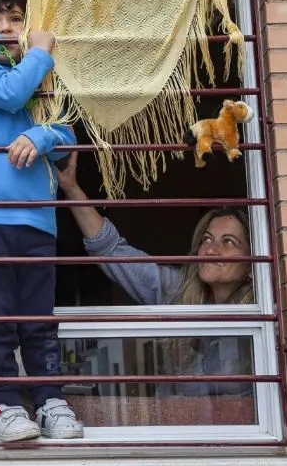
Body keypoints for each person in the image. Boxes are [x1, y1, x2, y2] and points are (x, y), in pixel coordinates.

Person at [0, 0, 85, 442]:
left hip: (36, 221)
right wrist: (42, 50)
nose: (6, 29)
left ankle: (50, 399)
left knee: (38, 319)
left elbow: (66, 129)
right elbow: (12, 95)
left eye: (14, 20)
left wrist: (41, 136)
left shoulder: (40, 84)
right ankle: (4, 405)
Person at [55, 152, 255, 399]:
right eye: (207, 239)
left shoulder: (262, 314)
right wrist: (71, 188)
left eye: (228, 242)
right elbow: (111, 250)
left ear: (252, 265)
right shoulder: (177, 292)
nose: (211, 249)